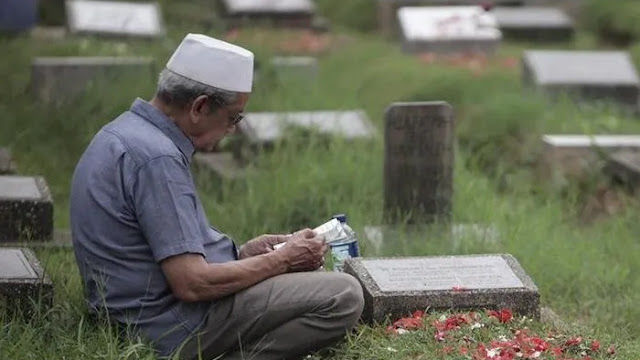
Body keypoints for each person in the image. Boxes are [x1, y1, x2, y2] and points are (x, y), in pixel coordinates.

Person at [70, 33, 365, 360]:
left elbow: (161, 252)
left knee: (311, 280)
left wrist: (243, 254)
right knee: (344, 294)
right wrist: (281, 260)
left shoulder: (124, 132)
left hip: (135, 317)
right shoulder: (158, 160)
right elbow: (191, 284)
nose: (234, 130)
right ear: (200, 107)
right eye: (233, 118)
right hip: (165, 328)